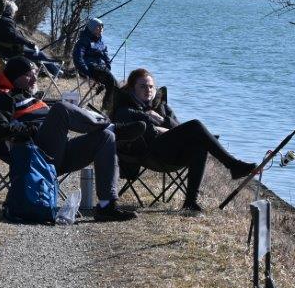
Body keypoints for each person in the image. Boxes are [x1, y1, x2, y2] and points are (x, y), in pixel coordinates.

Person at [0, 56, 142, 222]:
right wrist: (32, 128)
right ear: (15, 76)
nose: (34, 78)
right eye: (29, 75)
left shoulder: (27, 95)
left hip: (57, 152)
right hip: (35, 156)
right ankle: (111, 126)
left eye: (35, 74)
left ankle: (106, 206)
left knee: (106, 137)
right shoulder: (2, 96)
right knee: (61, 109)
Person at [111, 68, 259, 213]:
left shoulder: (161, 106)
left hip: (171, 153)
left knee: (199, 145)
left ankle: (190, 203)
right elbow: (144, 132)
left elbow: (179, 128)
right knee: (195, 125)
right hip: (149, 154)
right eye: (142, 86)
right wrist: (158, 126)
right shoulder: (126, 108)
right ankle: (233, 165)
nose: (148, 90)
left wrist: (162, 120)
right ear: (132, 88)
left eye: (151, 86)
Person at [0, 0, 63, 77]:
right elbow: (14, 36)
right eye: (14, 12)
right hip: (12, 51)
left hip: (5, 49)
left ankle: (56, 68)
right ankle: (57, 72)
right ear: (10, 11)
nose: (14, 14)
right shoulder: (6, 21)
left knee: (38, 52)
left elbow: (13, 35)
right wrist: (29, 43)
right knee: (39, 54)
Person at [72, 17, 116, 91]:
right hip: (89, 69)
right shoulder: (83, 41)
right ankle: (109, 97)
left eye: (102, 26)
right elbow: (78, 58)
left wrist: (108, 66)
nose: (101, 28)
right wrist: (87, 72)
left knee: (114, 83)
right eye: (98, 26)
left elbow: (106, 56)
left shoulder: (101, 42)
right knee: (110, 81)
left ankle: (115, 96)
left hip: (101, 69)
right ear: (92, 28)